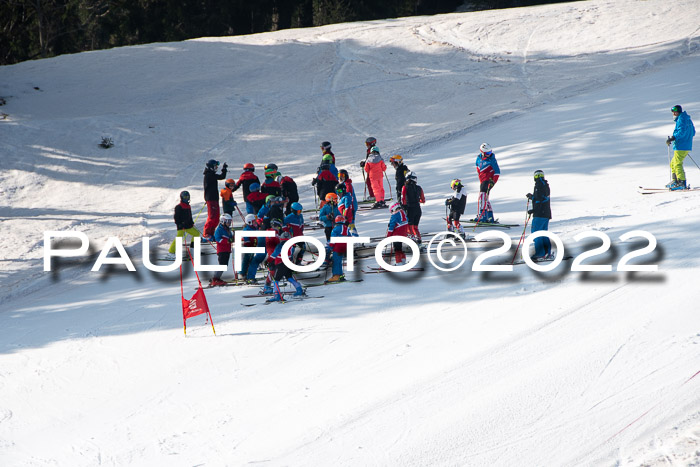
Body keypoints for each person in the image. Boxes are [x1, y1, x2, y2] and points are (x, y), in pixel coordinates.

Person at [666, 105, 696, 190]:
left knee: (677, 163)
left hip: (681, 145)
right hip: (684, 145)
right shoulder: (687, 119)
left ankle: (681, 182)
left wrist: (674, 137)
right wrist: (686, 139)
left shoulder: (681, 119)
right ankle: (675, 181)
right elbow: (693, 132)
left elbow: (681, 131)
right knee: (673, 163)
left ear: (678, 112)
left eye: (674, 112)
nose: (673, 113)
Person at [526, 170, 552, 260]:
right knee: (543, 233)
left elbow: (540, 200)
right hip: (545, 214)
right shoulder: (545, 185)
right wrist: (532, 197)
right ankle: (547, 253)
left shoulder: (539, 185)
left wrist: (533, 210)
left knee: (536, 233)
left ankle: (541, 253)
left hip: (540, 214)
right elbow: (540, 198)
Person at [473, 143, 500, 223]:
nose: (490, 154)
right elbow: (478, 169)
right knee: (485, 197)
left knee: (482, 196)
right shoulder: (478, 159)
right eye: (488, 153)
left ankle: (482, 215)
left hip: (488, 180)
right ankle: (490, 216)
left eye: (490, 152)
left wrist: (493, 182)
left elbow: (497, 172)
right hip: (482, 180)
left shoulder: (492, 160)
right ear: (483, 153)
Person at [203, 159, 227, 240]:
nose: (216, 168)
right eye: (215, 166)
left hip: (215, 199)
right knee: (212, 216)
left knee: (216, 218)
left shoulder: (211, 174)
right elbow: (221, 177)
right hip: (210, 199)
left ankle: (211, 233)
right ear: (211, 167)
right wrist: (224, 170)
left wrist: (224, 169)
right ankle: (206, 234)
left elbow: (221, 176)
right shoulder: (208, 175)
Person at [328, 214, 357, 282]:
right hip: (344, 247)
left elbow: (333, 239)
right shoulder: (346, 228)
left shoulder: (335, 229)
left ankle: (336, 276)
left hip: (337, 247)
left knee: (336, 261)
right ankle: (341, 275)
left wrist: (331, 247)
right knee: (339, 261)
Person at [209, 214, 234, 286]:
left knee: (224, 265)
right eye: (228, 221)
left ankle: (216, 278)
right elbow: (218, 239)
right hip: (222, 250)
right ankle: (215, 279)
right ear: (223, 221)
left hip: (227, 250)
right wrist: (227, 241)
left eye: (230, 221)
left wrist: (233, 238)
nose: (229, 223)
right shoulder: (219, 229)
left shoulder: (227, 229)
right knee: (222, 265)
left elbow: (230, 238)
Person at [401, 171, 425, 243]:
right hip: (418, 209)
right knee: (415, 227)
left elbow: (403, 199)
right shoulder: (419, 188)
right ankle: (419, 240)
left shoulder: (405, 187)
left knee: (409, 226)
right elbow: (423, 200)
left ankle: (411, 240)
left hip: (409, 209)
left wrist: (403, 207)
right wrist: (417, 200)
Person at [238, 214, 259, 281]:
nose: (255, 223)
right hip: (247, 247)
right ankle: (242, 273)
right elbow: (246, 239)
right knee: (246, 260)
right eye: (254, 221)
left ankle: (247, 273)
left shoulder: (254, 228)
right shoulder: (247, 229)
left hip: (253, 246)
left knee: (250, 260)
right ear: (249, 222)